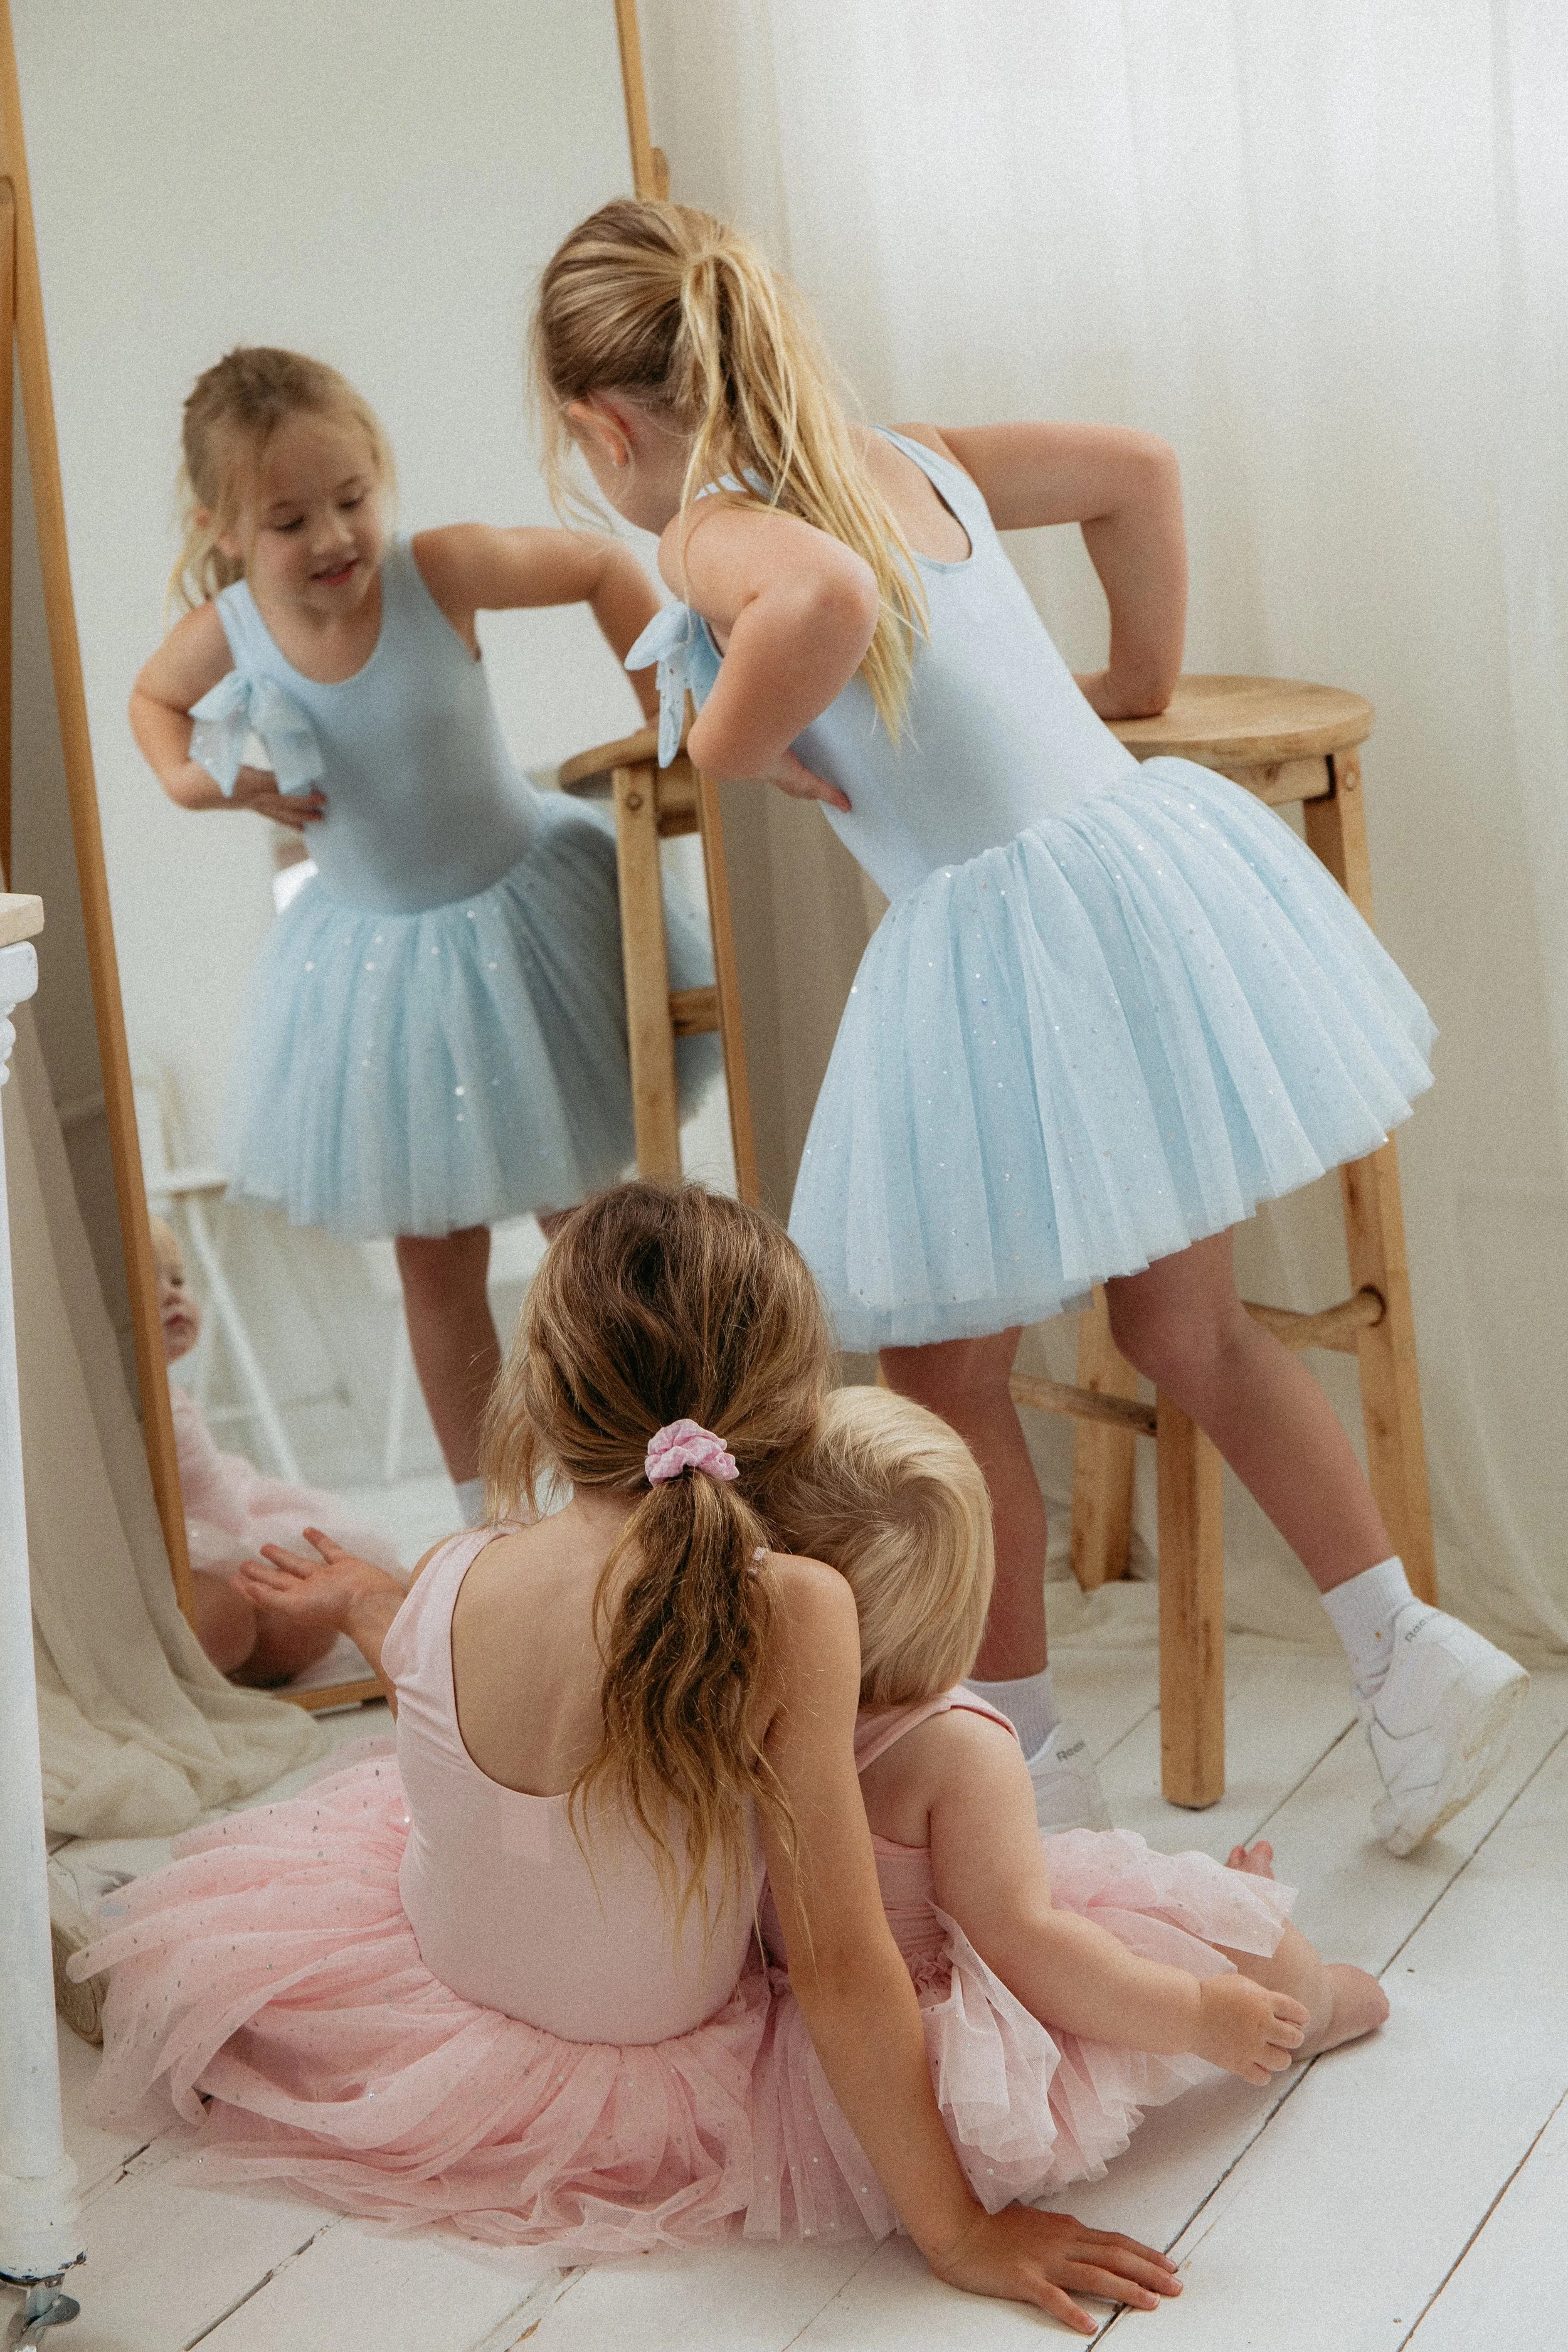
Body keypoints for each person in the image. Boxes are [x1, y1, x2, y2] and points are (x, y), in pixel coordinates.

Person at [529, 198, 1528, 1852]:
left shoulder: (714, 519)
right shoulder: (902, 449)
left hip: (997, 942)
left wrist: (718, 738)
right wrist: (1134, 681)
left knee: (940, 1381)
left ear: (600, 424)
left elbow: (824, 605)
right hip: (1123, 874)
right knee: (1189, 1329)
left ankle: (1033, 1777)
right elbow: (1136, 469)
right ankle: (1399, 1649)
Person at [72, 1185, 1178, 2332]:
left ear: (540, 1384)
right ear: (793, 1400)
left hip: (444, 1986)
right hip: (642, 2055)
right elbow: (843, 1963)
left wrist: (366, 1603)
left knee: (397, 1807)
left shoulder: (457, 1566)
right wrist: (957, 2230)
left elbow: (421, 1664)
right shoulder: (795, 1607)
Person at [130, 346, 718, 1524]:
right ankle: (489, 1515)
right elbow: (152, 705)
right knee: (433, 1259)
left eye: (353, 498)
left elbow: (605, 567)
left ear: (381, 480)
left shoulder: (437, 569)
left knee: (588, 1224)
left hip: (528, 922)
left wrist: (675, 716)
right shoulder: (228, 628)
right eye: (291, 518)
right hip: (377, 975)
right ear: (224, 530)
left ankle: (656, 1466)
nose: (335, 536)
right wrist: (206, 784)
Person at [754, 1385, 1385, 2229]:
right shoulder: (960, 1745)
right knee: (1242, 1945)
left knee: (1154, 1903)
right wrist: (1194, 2013)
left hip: (823, 2056)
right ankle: (1326, 2001)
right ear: (964, 1596)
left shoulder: (742, 1714)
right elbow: (1026, 1941)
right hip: (956, 2066)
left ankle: (1244, 1935)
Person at [150, 1213, 403, 1685]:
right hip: (204, 1540)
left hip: (227, 1523)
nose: (172, 1294)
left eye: (178, 1279)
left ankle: (425, 1618)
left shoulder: (170, 1391)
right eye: (150, 1282)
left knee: (344, 1567)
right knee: (290, 1607)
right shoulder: (142, 1401)